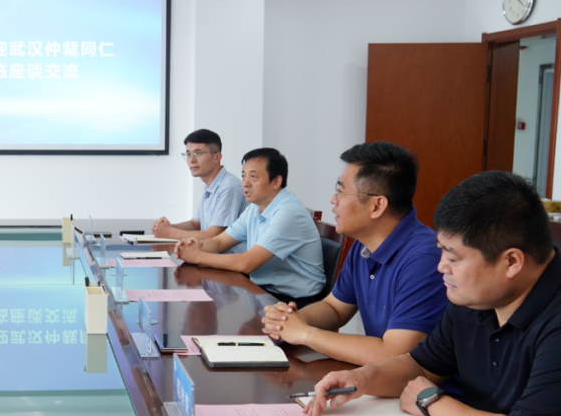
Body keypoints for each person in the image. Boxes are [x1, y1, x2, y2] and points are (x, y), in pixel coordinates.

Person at [305, 172, 561, 416]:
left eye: (452, 257)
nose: (441, 267)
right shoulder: (476, 297)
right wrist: (362, 380)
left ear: (511, 261)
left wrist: (431, 401)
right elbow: (421, 365)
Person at [261, 142, 448, 366]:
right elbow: (334, 308)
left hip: (419, 385)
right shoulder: (364, 245)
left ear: (376, 206)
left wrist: (305, 333)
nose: (333, 199)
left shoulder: (425, 259)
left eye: (341, 191)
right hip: (377, 376)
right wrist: (291, 320)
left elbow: (395, 355)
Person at [175, 148, 324, 302]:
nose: (245, 183)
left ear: (276, 182)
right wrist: (193, 247)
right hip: (263, 290)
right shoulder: (254, 208)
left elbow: (247, 263)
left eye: (253, 177)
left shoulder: (288, 213)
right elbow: (219, 243)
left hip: (295, 301)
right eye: (243, 176)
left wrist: (198, 256)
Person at [151, 129, 246, 251]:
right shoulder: (210, 186)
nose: (191, 160)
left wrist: (169, 232)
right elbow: (195, 224)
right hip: (210, 257)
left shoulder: (228, 187)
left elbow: (213, 236)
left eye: (198, 153)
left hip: (231, 260)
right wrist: (167, 227)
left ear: (217, 157)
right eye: (188, 154)